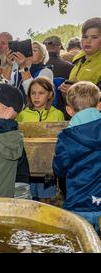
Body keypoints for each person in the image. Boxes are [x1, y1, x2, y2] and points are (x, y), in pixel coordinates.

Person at [53, 81, 101, 234]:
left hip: (78, 204)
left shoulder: (66, 138)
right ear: (99, 105)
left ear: (69, 110)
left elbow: (59, 169)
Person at [17, 77, 65, 203]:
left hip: (48, 167)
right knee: (28, 200)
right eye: (33, 93)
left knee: (45, 201)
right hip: (27, 165)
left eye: (41, 93)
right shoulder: (22, 114)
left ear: (49, 95)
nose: (36, 97)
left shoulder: (57, 114)